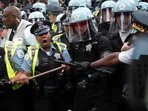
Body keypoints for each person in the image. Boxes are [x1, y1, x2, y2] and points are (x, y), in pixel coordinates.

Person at [18, 20, 73, 111]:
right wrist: (23, 76)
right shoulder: (31, 53)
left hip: (62, 93)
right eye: (40, 35)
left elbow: (71, 66)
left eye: (46, 33)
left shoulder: (62, 48)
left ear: (50, 34)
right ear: (36, 38)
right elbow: (26, 73)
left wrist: (67, 67)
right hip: (42, 96)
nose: (44, 36)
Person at [68, 7, 114, 111]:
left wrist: (90, 78)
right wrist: (69, 81)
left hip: (98, 90)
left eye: (82, 23)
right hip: (80, 90)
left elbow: (109, 68)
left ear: (89, 22)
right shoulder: (74, 43)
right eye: (75, 25)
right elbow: (72, 62)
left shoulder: (102, 40)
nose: (79, 27)